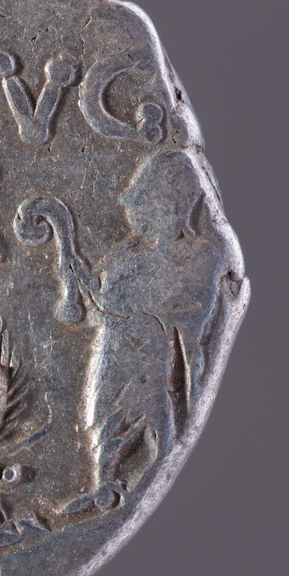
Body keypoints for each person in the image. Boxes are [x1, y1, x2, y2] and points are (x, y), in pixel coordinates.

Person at [79, 151, 229, 507]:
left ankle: (121, 489)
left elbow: (190, 312)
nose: (140, 214)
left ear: (176, 205)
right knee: (103, 435)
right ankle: (105, 488)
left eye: (152, 201)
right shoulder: (126, 256)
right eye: (142, 203)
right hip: (115, 359)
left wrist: (118, 305)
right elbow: (97, 308)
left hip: (154, 364)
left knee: (154, 432)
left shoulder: (203, 255)